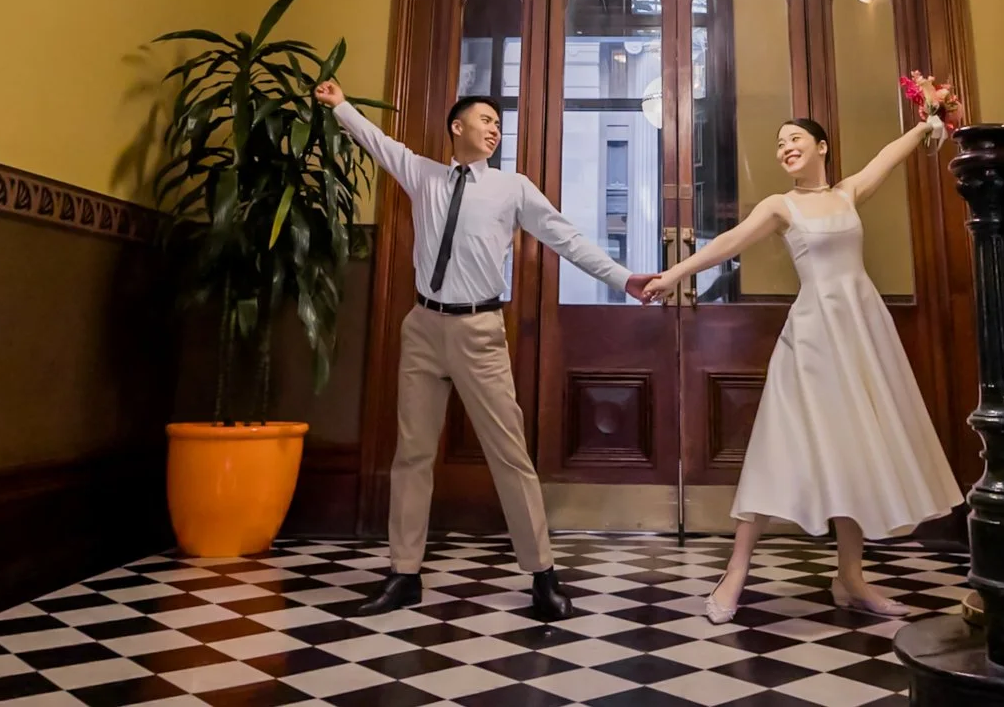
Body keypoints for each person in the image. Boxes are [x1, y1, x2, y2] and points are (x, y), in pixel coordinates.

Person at [314, 80, 661, 620]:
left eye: (499, 123)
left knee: (510, 455)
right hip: (423, 328)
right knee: (412, 455)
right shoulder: (422, 173)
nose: (494, 128)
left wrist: (622, 278)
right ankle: (404, 574)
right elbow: (377, 142)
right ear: (457, 128)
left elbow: (565, 237)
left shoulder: (511, 187)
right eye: (484, 119)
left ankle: (543, 576)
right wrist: (341, 107)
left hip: (479, 331)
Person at [645, 111, 964, 622]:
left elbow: (888, 155)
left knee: (856, 448)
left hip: (861, 331)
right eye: (779, 143)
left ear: (822, 147)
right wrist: (674, 273)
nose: (785, 147)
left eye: (795, 139)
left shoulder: (848, 193)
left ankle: (851, 576)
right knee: (778, 446)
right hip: (813, 336)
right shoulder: (781, 205)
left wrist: (927, 123)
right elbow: (729, 243)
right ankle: (735, 572)